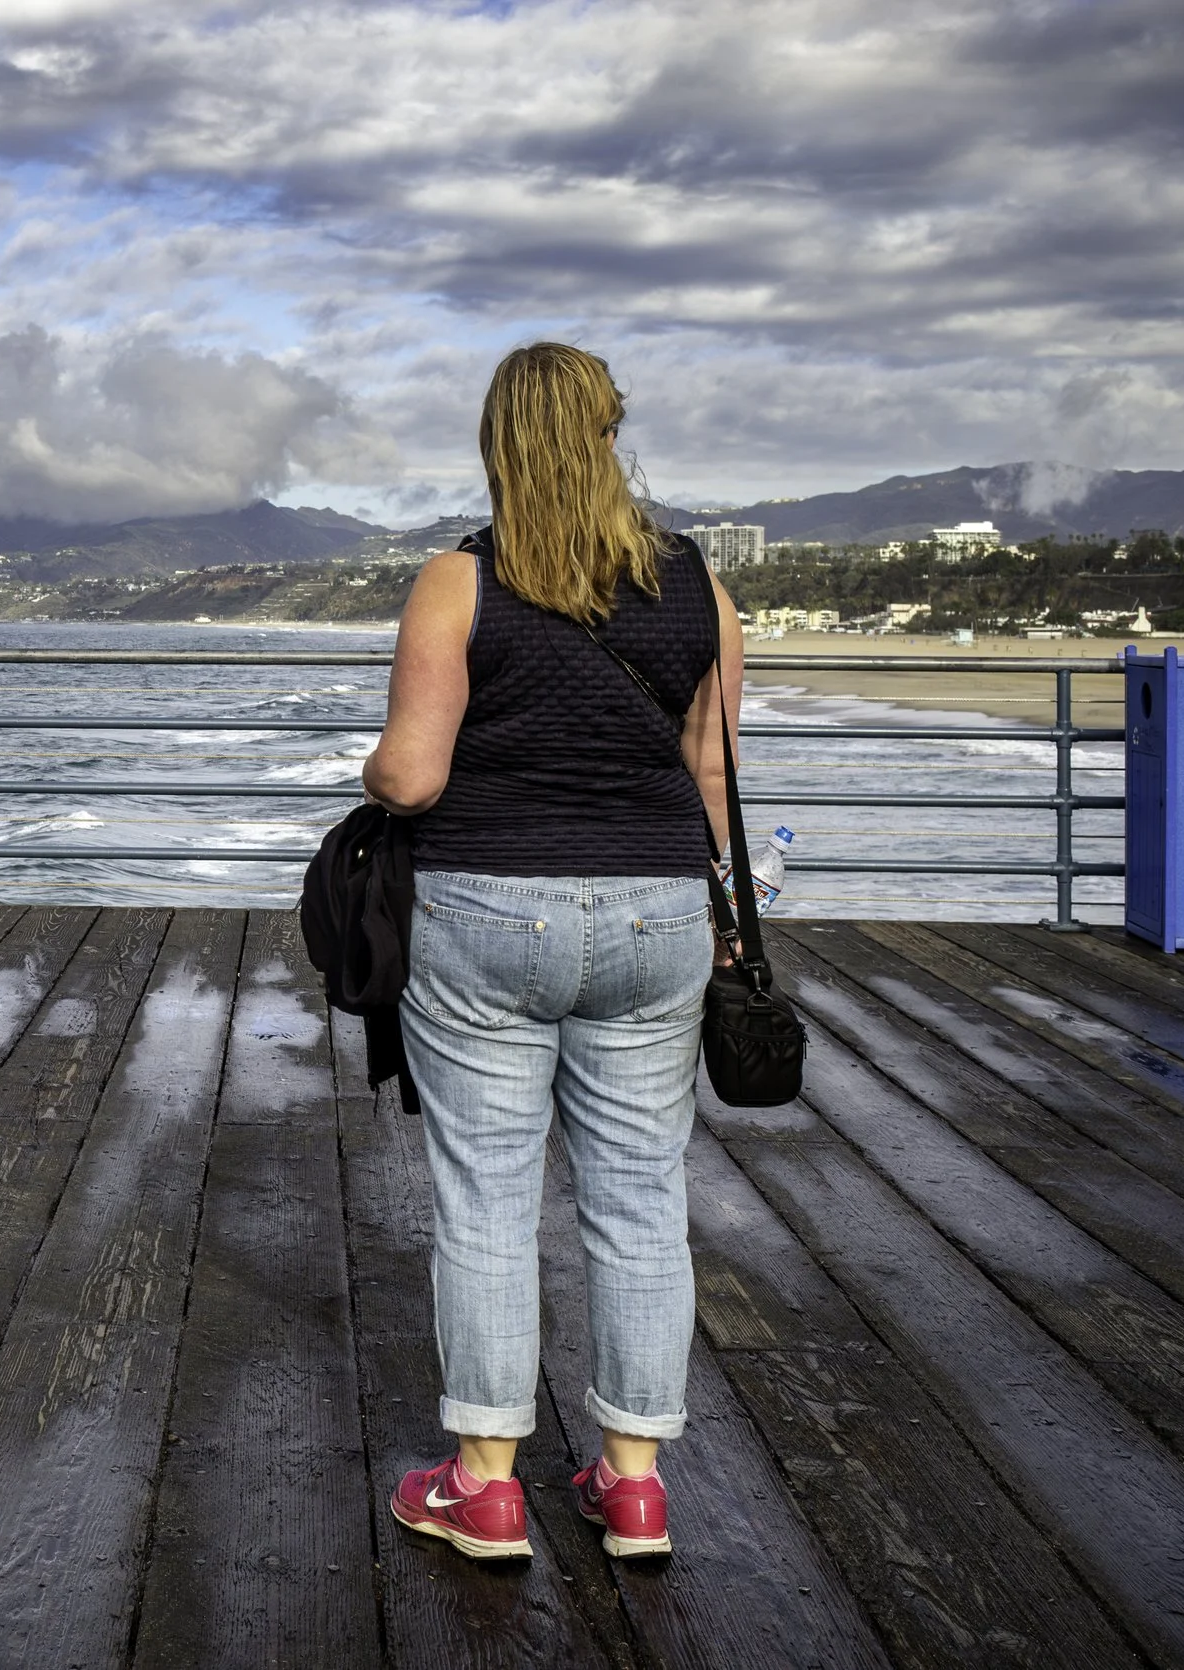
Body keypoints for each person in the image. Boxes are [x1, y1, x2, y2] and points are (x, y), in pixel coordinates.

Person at [361, 342, 744, 1563]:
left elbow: (412, 776)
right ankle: (631, 1485)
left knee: (486, 1196)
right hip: (656, 915)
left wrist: (368, 770)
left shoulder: (456, 581)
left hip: (487, 913)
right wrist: (713, 911)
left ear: (495, 439)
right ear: (610, 430)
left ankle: (483, 1486)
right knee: (639, 1198)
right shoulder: (698, 585)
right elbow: (711, 772)